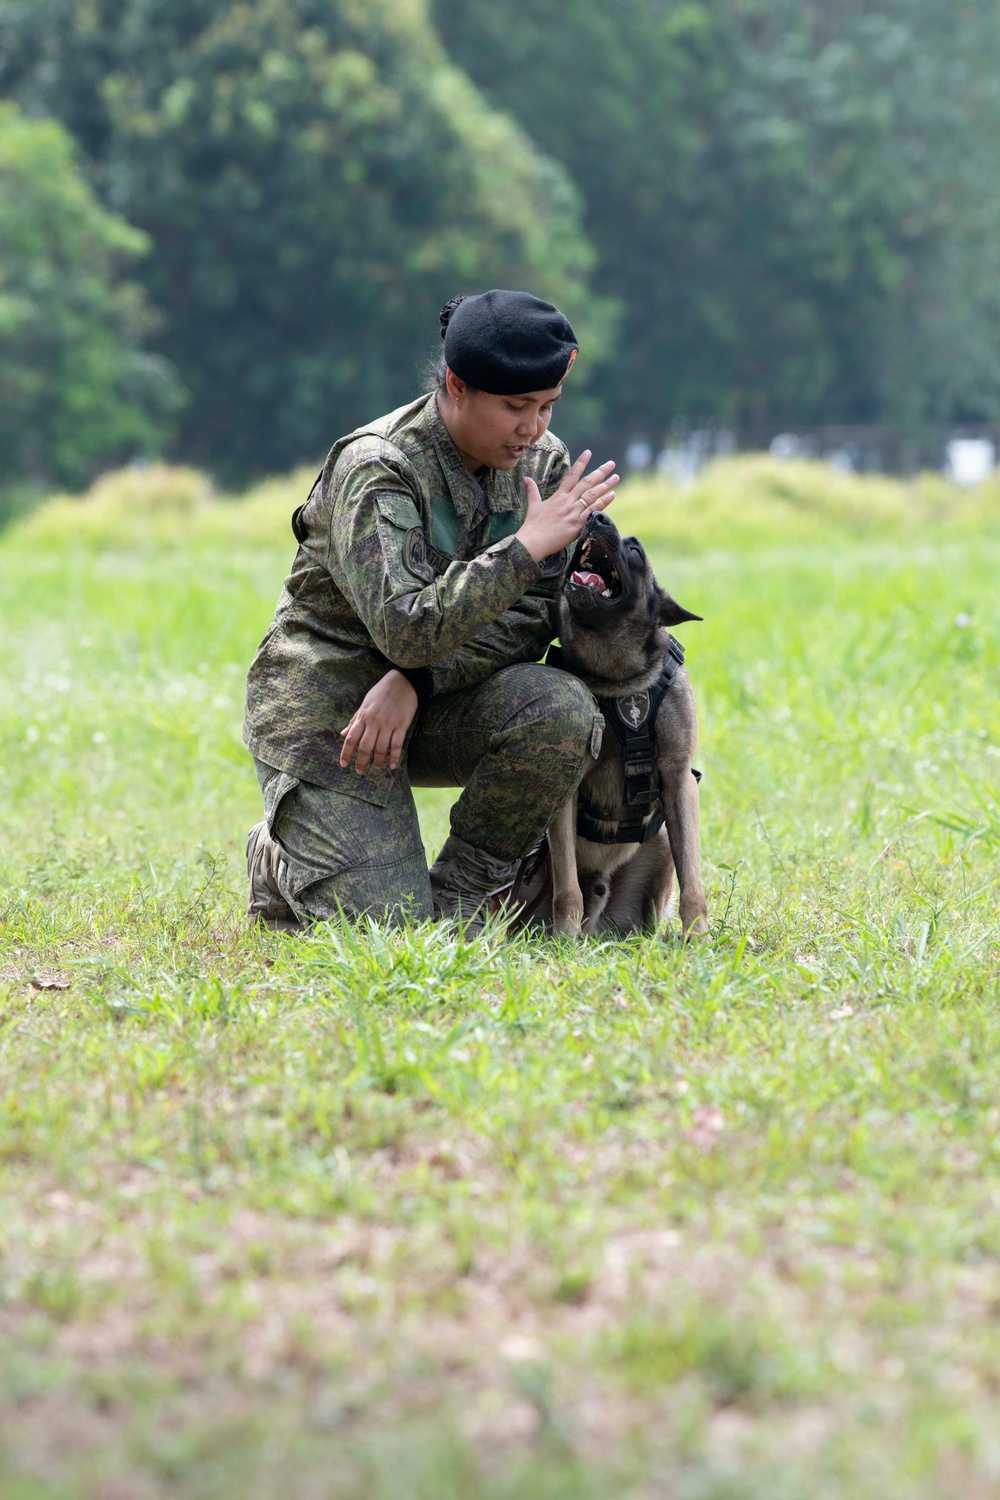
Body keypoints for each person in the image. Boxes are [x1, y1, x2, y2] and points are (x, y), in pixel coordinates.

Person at [242, 289, 618, 930]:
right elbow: (406, 627)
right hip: (327, 708)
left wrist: (420, 682)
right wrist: (527, 547)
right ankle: (279, 854)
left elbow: (536, 616)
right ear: (456, 384)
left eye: (547, 406)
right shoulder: (379, 468)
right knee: (382, 930)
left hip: (434, 694)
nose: (533, 429)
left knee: (561, 709)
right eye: (515, 407)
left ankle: (465, 891)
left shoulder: (542, 464)